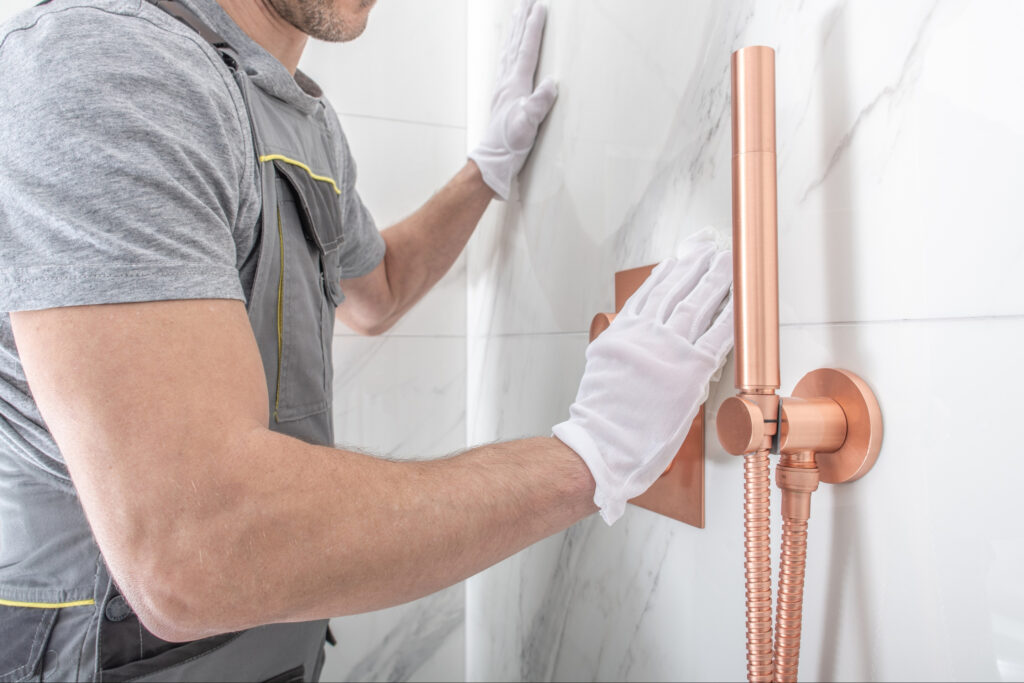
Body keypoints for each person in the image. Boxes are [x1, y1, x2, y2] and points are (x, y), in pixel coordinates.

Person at [0, 0, 734, 679]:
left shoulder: (302, 116)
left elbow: (377, 288)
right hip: (103, 656)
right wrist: (592, 455)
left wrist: (487, 171)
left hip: (273, 642)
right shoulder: (105, 63)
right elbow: (195, 552)